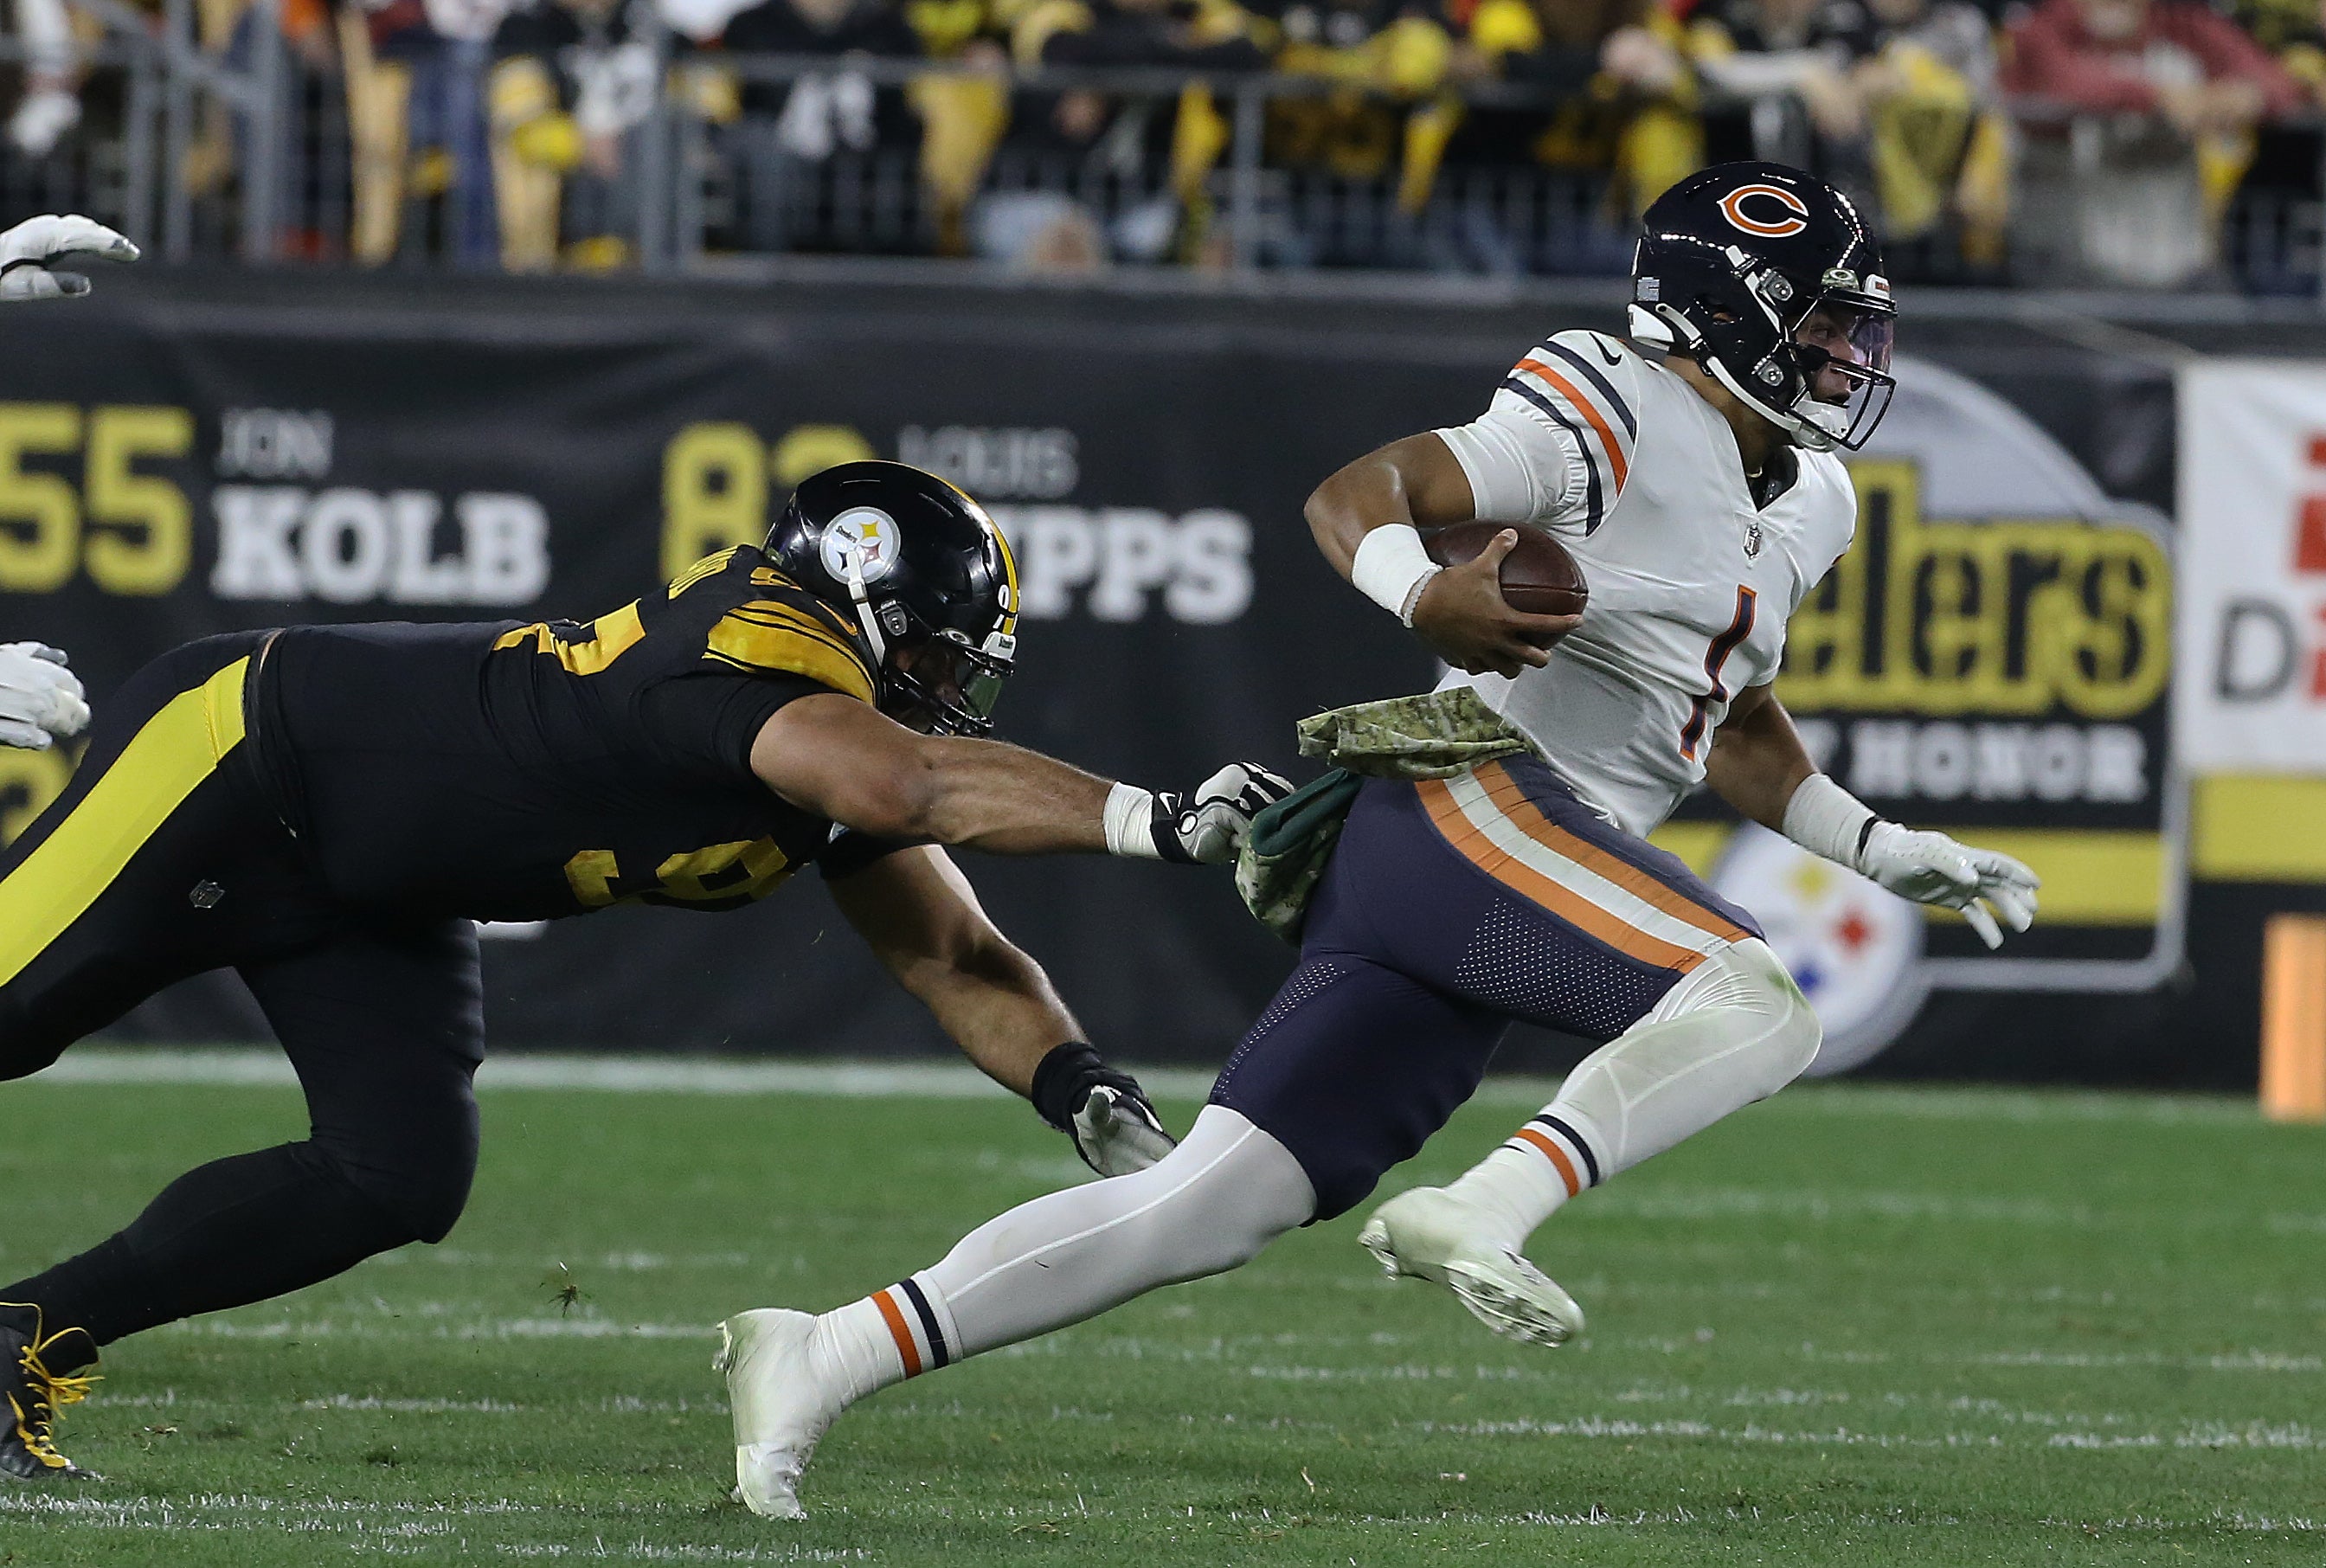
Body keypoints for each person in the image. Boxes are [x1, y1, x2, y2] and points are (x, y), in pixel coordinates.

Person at [714, 162, 2040, 1519]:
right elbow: (1361, 494)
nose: (1843, 352)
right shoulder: (1615, 402)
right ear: (1725, 309)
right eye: (1819, 321)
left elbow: (1726, 711)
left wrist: (1873, 842)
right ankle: (1489, 1206)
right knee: (1755, 1001)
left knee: (1204, 1206)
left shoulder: (1818, 500)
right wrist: (1425, 596)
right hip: (1468, 798)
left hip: (1496, 870)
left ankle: (823, 1352)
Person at [0, 459, 1289, 1483]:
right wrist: (1156, 817)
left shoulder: (835, 736)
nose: (946, 689)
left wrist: (1079, 1086)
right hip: (239, 758)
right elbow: (906, 785)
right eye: (936, 657)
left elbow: (953, 953)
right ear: (859, 604)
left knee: (395, 1168)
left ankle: (19, 1337)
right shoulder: (753, 650)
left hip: (376, 882)